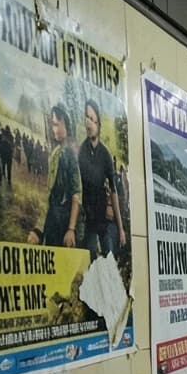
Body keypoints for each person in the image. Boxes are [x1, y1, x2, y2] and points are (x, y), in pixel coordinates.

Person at [78, 99, 126, 260]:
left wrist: (120, 229)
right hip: (87, 219)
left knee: (109, 258)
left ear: (98, 124)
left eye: (93, 119)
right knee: (90, 258)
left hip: (103, 219)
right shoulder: (81, 152)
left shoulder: (105, 154)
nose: (89, 123)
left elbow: (113, 191)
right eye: (87, 118)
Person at [27, 105, 81, 248]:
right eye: (52, 125)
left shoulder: (71, 154)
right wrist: (39, 229)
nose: (53, 129)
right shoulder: (55, 153)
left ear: (65, 124)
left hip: (65, 223)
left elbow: (76, 194)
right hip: (52, 220)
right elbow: (49, 194)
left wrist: (71, 229)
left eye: (56, 124)